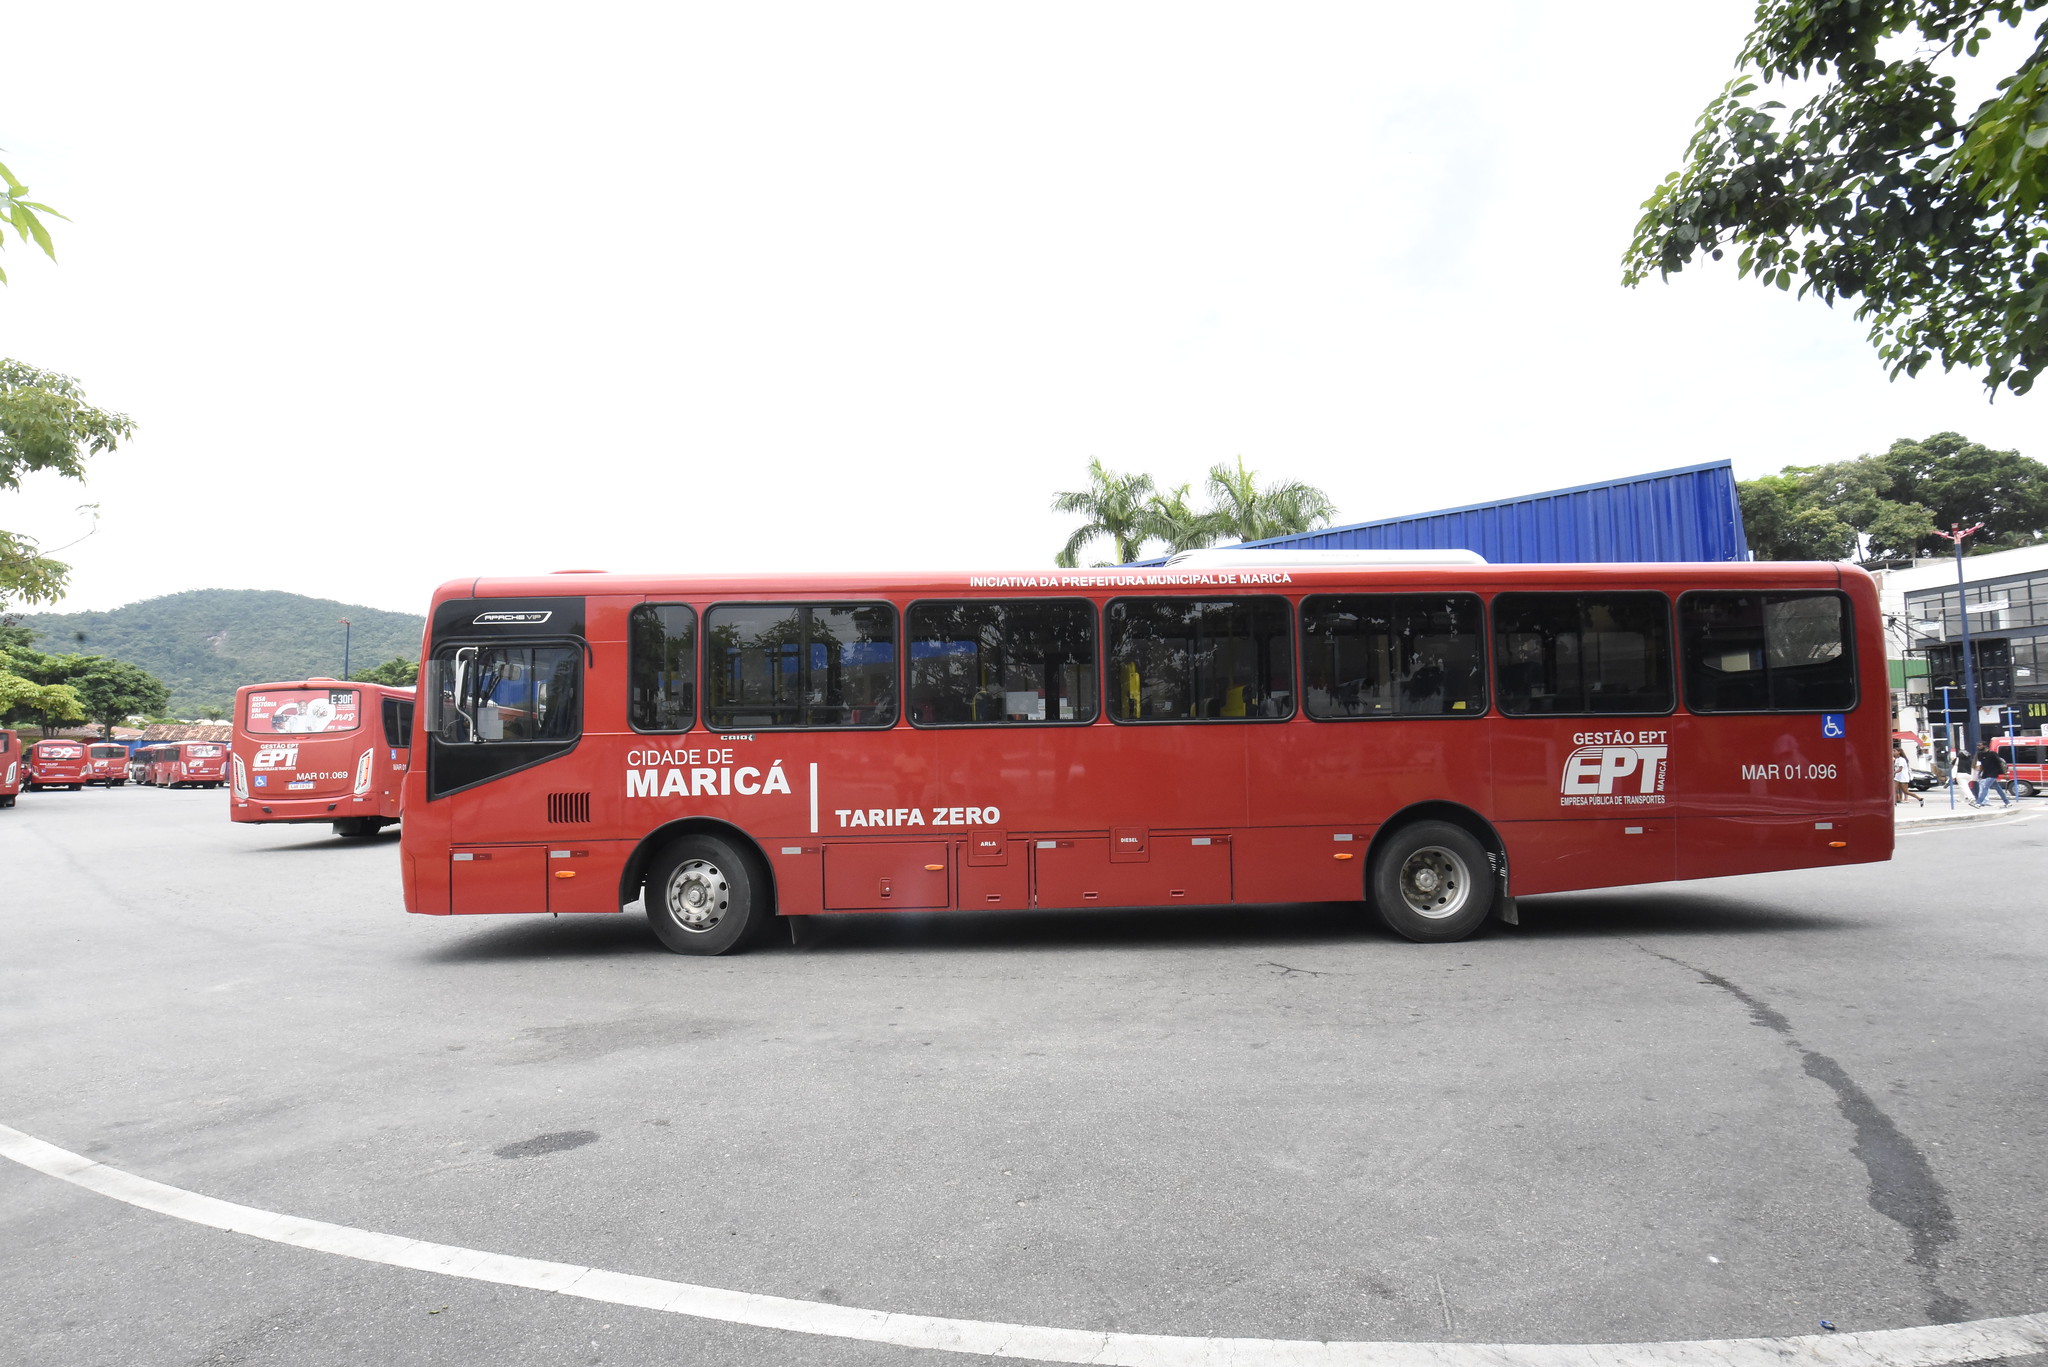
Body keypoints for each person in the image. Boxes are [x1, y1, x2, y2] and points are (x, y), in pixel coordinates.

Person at [1973, 743, 2011, 807]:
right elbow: (1982, 764)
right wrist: (1980, 773)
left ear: (1985, 745)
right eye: (1977, 745)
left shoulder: (1992, 754)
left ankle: (1978, 803)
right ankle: (2007, 802)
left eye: (1980, 745)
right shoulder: (1980, 754)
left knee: (1985, 787)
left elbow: (2001, 763)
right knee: (1998, 789)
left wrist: (2005, 773)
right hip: (1986, 773)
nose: (1978, 747)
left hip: (1993, 773)